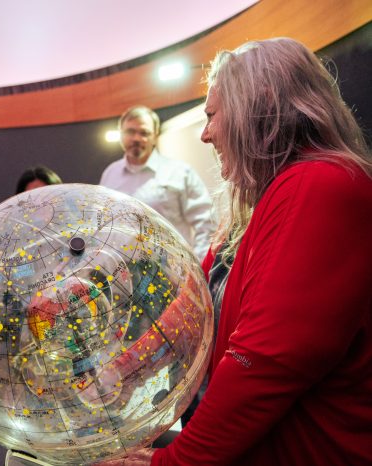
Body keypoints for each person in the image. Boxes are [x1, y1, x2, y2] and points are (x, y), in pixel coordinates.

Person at [97, 38, 372, 466]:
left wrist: (169, 463)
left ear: (258, 105)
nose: (205, 134)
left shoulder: (321, 184)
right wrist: (119, 370)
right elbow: (193, 313)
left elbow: (264, 363)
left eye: (211, 116)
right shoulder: (267, 200)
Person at [99, 106, 214, 260]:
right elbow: (103, 225)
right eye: (130, 132)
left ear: (155, 136)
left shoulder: (180, 172)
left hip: (173, 271)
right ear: (121, 134)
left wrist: (199, 266)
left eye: (144, 133)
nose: (136, 138)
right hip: (125, 272)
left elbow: (207, 223)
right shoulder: (110, 174)